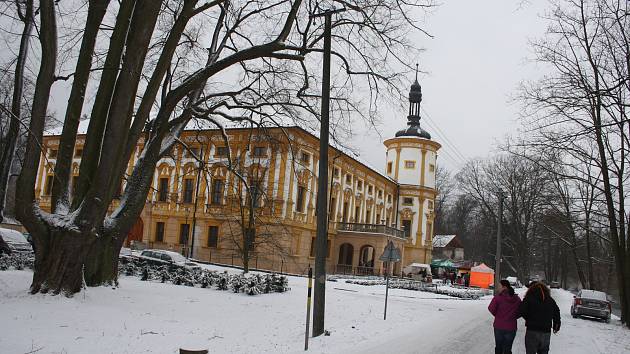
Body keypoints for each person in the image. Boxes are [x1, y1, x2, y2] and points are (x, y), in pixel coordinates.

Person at [519, 281, 561, 354]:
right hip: (546, 331)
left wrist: (529, 319)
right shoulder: (550, 300)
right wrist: (556, 325)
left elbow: (522, 311)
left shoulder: (529, 298)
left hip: (532, 330)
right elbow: (556, 312)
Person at [488, 279, 522, 354]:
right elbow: (521, 311)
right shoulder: (517, 299)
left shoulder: (498, 298)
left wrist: (498, 316)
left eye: (499, 286)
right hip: (511, 327)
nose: (498, 288)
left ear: (504, 287)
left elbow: (491, 308)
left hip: (499, 326)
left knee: (499, 347)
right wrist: (513, 317)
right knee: (508, 348)